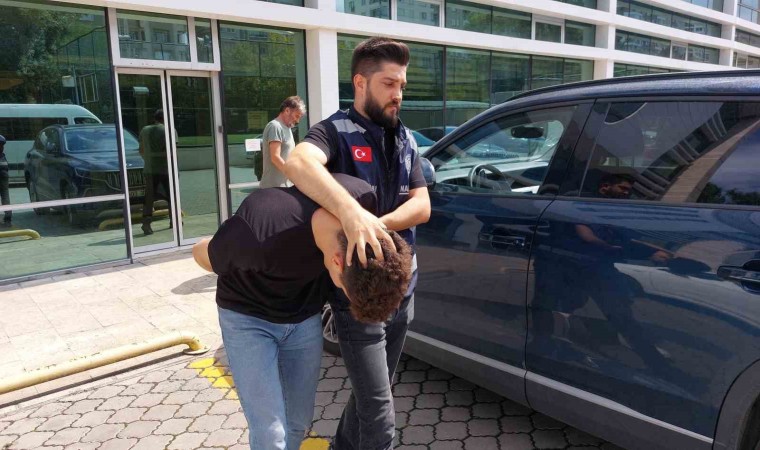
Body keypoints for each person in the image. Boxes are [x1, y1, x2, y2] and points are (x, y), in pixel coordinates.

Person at [192, 174, 413, 450]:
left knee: (297, 422)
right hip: (248, 320)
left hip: (303, 318)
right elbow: (204, 254)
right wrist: (218, 246)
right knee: (271, 433)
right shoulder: (259, 230)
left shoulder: (362, 198)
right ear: (337, 262)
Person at [284, 37, 431, 450]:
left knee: (374, 389)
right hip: (357, 294)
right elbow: (298, 162)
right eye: (389, 84)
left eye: (402, 85)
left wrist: (373, 225)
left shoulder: (406, 138)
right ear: (360, 83)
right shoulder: (334, 131)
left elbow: (421, 205)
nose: (398, 94)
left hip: (403, 286)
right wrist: (350, 213)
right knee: (379, 411)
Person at [258, 96, 306, 188]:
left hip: (285, 186)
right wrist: (293, 175)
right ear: (287, 111)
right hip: (273, 187)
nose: (297, 120)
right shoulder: (275, 126)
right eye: (296, 116)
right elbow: (275, 157)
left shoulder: (287, 128)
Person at [139, 109, 171, 235]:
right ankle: (174, 221)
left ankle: (146, 223)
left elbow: (141, 150)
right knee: (171, 196)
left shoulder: (144, 130)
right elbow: (172, 152)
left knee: (149, 198)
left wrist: (149, 160)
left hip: (149, 169)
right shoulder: (169, 130)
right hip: (165, 169)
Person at [0, 135, 10, 227]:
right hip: (4, 175)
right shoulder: (3, 156)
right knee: (5, 196)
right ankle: (8, 218)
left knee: (5, 196)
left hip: (3, 175)